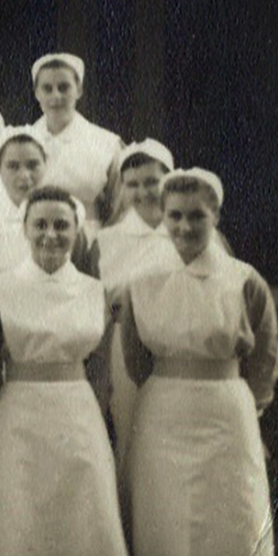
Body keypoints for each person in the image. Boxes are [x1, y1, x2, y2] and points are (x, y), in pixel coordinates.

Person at [119, 169, 278, 556]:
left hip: (227, 417)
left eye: (197, 216)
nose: (186, 226)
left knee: (226, 547)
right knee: (166, 546)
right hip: (164, 416)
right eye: (176, 216)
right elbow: (136, 359)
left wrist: (246, 412)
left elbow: (264, 361)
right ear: (163, 219)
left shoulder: (245, 280)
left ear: (215, 217)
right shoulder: (142, 281)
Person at [0, 186, 136, 556]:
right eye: (40, 224)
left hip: (77, 418)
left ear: (77, 231)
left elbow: (99, 372)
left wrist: (86, 418)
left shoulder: (96, 291)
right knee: (20, 535)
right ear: (24, 228)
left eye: (62, 225)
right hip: (17, 421)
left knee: (78, 532)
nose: (50, 234)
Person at [90, 139, 181, 456]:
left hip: (182, 348)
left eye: (152, 181)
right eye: (133, 184)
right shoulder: (106, 241)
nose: (143, 192)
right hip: (124, 351)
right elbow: (94, 307)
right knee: (133, 436)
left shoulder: (190, 233)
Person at [0, 129, 88, 284]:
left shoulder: (68, 217)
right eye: (13, 166)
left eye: (32, 165)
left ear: (46, 165)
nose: (24, 175)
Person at [28, 53, 124, 228]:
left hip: (89, 241)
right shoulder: (22, 141)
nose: (56, 96)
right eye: (47, 88)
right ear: (36, 93)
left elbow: (119, 208)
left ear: (78, 90)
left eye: (64, 87)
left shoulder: (107, 143)